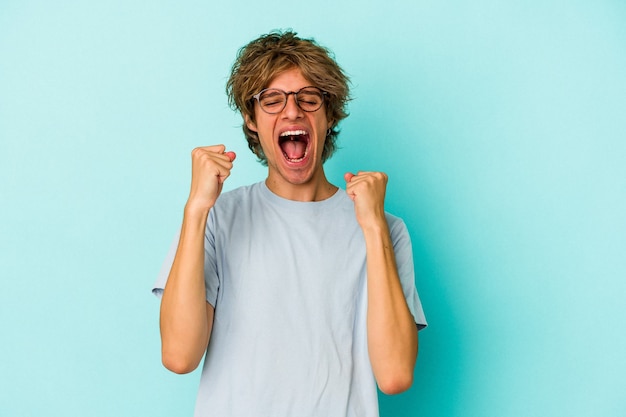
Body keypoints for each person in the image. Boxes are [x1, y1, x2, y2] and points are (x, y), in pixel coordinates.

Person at [153, 30, 427, 417]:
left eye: (309, 98)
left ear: (329, 114)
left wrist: (373, 229)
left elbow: (395, 375)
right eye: (272, 99)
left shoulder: (385, 229)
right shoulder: (217, 217)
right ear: (251, 120)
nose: (293, 111)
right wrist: (196, 209)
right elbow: (179, 356)